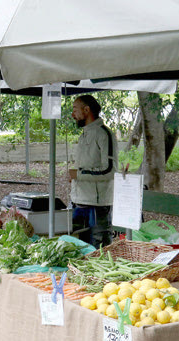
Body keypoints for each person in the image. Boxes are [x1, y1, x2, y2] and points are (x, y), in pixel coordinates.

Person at [69, 95, 117, 248]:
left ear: (87, 110)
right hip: (79, 201)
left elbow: (110, 170)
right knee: (78, 248)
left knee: (97, 250)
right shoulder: (84, 134)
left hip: (97, 205)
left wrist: (79, 174)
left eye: (75, 110)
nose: (72, 115)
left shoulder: (104, 134)